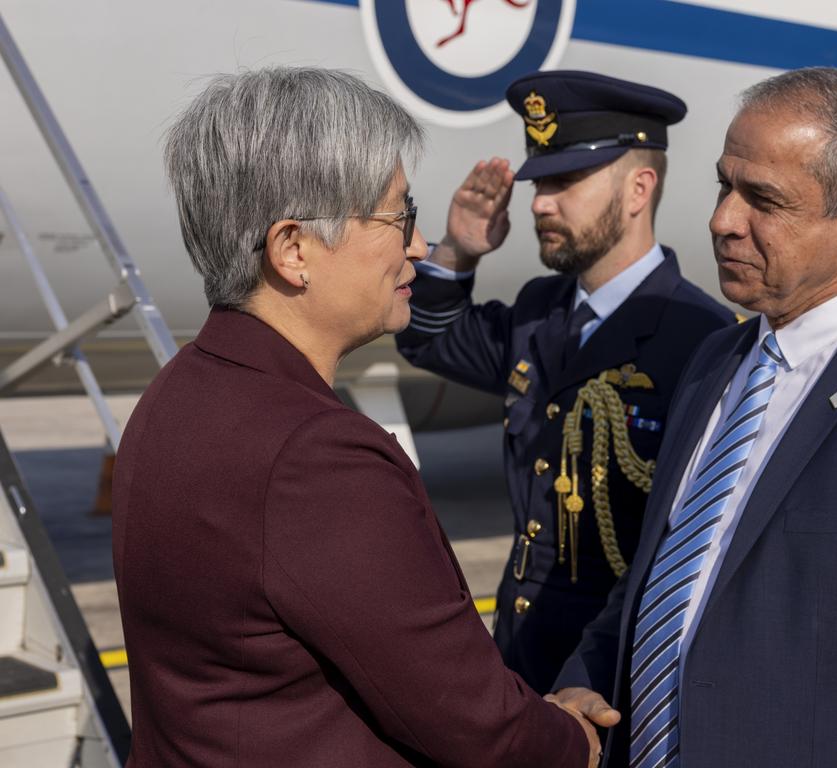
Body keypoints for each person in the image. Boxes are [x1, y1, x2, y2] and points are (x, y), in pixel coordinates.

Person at [111, 67, 600, 767]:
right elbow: (474, 724)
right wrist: (571, 740)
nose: (418, 244)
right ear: (293, 250)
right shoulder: (314, 457)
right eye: (399, 216)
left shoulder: (179, 393)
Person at [548, 67, 837, 767]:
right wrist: (582, 687)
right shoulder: (716, 362)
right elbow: (660, 581)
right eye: (723, 185)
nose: (722, 220)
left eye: (762, 200)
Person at [396, 70, 734, 694]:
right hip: (521, 664)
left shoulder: (703, 341)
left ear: (639, 188)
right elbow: (427, 337)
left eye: (564, 182)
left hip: (620, 679)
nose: (539, 203)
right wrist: (459, 252)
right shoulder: (540, 310)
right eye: (537, 182)